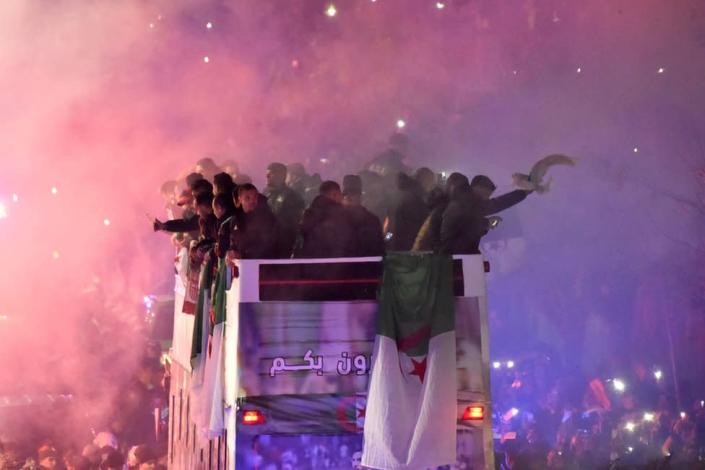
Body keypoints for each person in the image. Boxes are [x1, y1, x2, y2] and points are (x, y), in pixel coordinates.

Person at [440, 174, 531, 255]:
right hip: (456, 256)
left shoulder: (462, 202)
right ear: (478, 188)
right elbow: (498, 203)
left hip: (459, 255)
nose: (487, 198)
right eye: (486, 194)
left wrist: (487, 224)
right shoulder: (465, 203)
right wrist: (487, 223)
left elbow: (467, 226)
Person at [295, 181, 354, 258]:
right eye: (340, 194)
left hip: (311, 260)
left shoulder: (309, 212)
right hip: (333, 261)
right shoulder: (338, 213)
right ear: (334, 194)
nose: (342, 197)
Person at [264, 162, 305, 257]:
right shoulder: (266, 194)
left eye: (270, 174)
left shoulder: (292, 197)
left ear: (281, 175)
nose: (267, 176)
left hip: (284, 247)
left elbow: (295, 225)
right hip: (267, 246)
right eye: (267, 174)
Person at [228, 184, 279, 259]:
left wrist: (243, 255)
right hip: (243, 266)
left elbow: (268, 245)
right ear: (240, 199)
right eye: (247, 198)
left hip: (262, 265)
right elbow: (233, 241)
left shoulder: (267, 219)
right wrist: (231, 251)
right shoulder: (235, 220)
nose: (252, 201)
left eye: (255, 197)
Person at [342, 175, 385, 257]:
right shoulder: (372, 219)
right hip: (366, 266)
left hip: (342, 266)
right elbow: (379, 249)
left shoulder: (335, 219)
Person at [388, 172, 428, 251]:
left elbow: (393, 227)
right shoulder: (418, 200)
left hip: (403, 244)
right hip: (413, 243)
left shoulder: (400, 202)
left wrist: (387, 239)